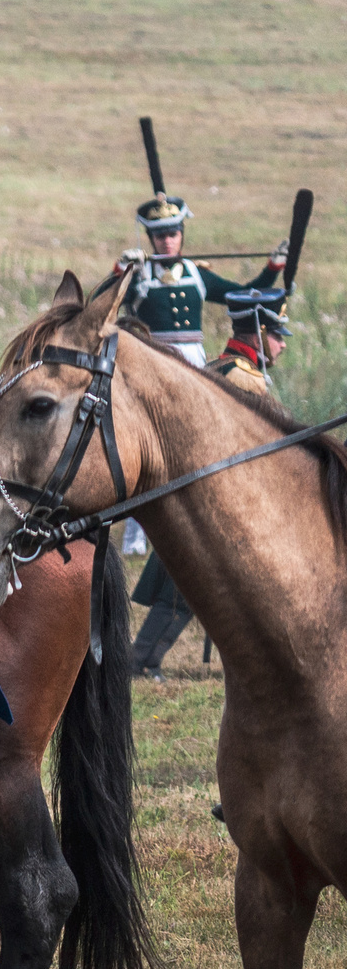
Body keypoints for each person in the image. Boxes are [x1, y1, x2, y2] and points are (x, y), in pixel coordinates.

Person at [129, 284, 291, 676]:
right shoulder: (245, 380)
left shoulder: (220, 367)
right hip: (219, 502)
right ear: (256, 331)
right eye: (276, 335)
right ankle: (141, 662)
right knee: (187, 593)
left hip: (200, 496)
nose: (282, 345)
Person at [119, 192, 284, 369]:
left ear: (181, 235)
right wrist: (121, 270)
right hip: (152, 362)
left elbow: (246, 296)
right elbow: (101, 304)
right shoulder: (138, 275)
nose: (167, 242)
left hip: (194, 364)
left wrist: (273, 268)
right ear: (151, 238)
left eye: (173, 234)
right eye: (160, 236)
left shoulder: (196, 274)